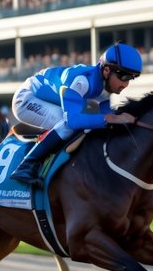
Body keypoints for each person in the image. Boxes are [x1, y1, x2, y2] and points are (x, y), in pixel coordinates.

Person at [9, 42, 142, 187]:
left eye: (131, 78)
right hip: (27, 98)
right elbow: (73, 120)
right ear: (106, 70)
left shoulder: (104, 89)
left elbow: (107, 121)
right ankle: (27, 165)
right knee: (68, 124)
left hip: (50, 99)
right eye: (124, 77)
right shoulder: (82, 80)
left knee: (95, 122)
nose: (126, 84)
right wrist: (111, 118)